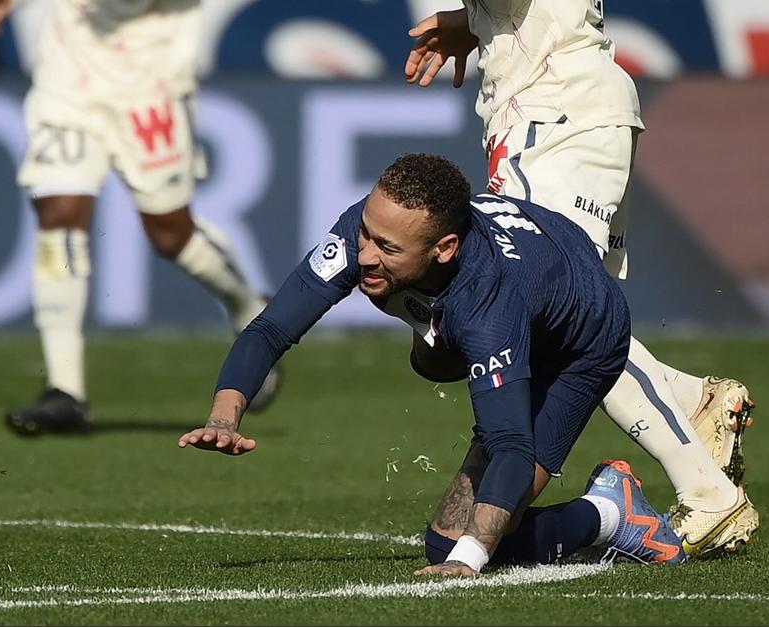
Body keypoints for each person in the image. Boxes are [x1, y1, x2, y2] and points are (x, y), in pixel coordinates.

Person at [178, 153, 687, 574]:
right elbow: (270, 328)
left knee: (461, 549)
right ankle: (437, 336)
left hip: (581, 345)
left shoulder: (488, 307)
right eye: (367, 235)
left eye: (387, 248)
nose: (366, 257)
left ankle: (611, 513)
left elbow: (511, 445)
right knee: (443, 372)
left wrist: (467, 561)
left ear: (444, 248)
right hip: (516, 283)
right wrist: (225, 417)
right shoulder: (368, 229)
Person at [402, 1, 758, 558]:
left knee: (566, 321)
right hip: (577, 107)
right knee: (571, 314)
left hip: (554, 119)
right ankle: (696, 401)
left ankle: (707, 491)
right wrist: (475, 21)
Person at [0, 0, 281, 435]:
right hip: (71, 68)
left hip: (151, 71)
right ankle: (66, 393)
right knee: (59, 214)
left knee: (169, 235)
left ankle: (248, 307)